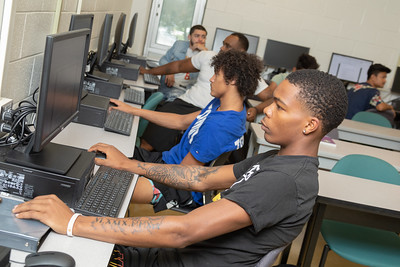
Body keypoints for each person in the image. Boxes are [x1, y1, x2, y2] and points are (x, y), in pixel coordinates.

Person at [13, 69, 348, 266]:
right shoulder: (276, 160)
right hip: (162, 256)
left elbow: (181, 231)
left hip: (164, 261)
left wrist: (72, 221)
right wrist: (131, 165)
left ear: (310, 125)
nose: (266, 111)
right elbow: (201, 177)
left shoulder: (287, 182)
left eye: (279, 106)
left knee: (47, 248)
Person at [111, 50, 264, 210]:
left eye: (216, 75)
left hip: (178, 186)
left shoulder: (220, 126)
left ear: (232, 80)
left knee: (107, 183)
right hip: (168, 162)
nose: (211, 79)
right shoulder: (223, 106)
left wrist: (129, 165)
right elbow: (181, 121)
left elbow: (182, 174)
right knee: (109, 151)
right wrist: (133, 110)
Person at [139, 32, 268, 152]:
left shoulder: (246, 72)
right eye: (223, 44)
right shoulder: (208, 56)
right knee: (148, 143)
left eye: (227, 46)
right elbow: (177, 66)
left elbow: (272, 98)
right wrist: (149, 72)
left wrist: (256, 110)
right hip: (186, 104)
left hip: (212, 113)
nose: (222, 48)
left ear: (241, 52)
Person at [247, 53, 319, 122]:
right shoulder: (282, 78)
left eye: (308, 76)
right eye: (302, 75)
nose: (304, 80)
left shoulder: (314, 91)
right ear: (294, 70)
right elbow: (271, 97)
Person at [158, 25, 208, 102]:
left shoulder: (205, 55)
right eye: (197, 36)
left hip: (184, 91)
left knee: (173, 102)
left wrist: (205, 52)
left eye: (203, 37)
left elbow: (210, 74)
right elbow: (163, 60)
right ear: (189, 37)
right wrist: (169, 71)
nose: (200, 39)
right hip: (168, 86)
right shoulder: (179, 45)